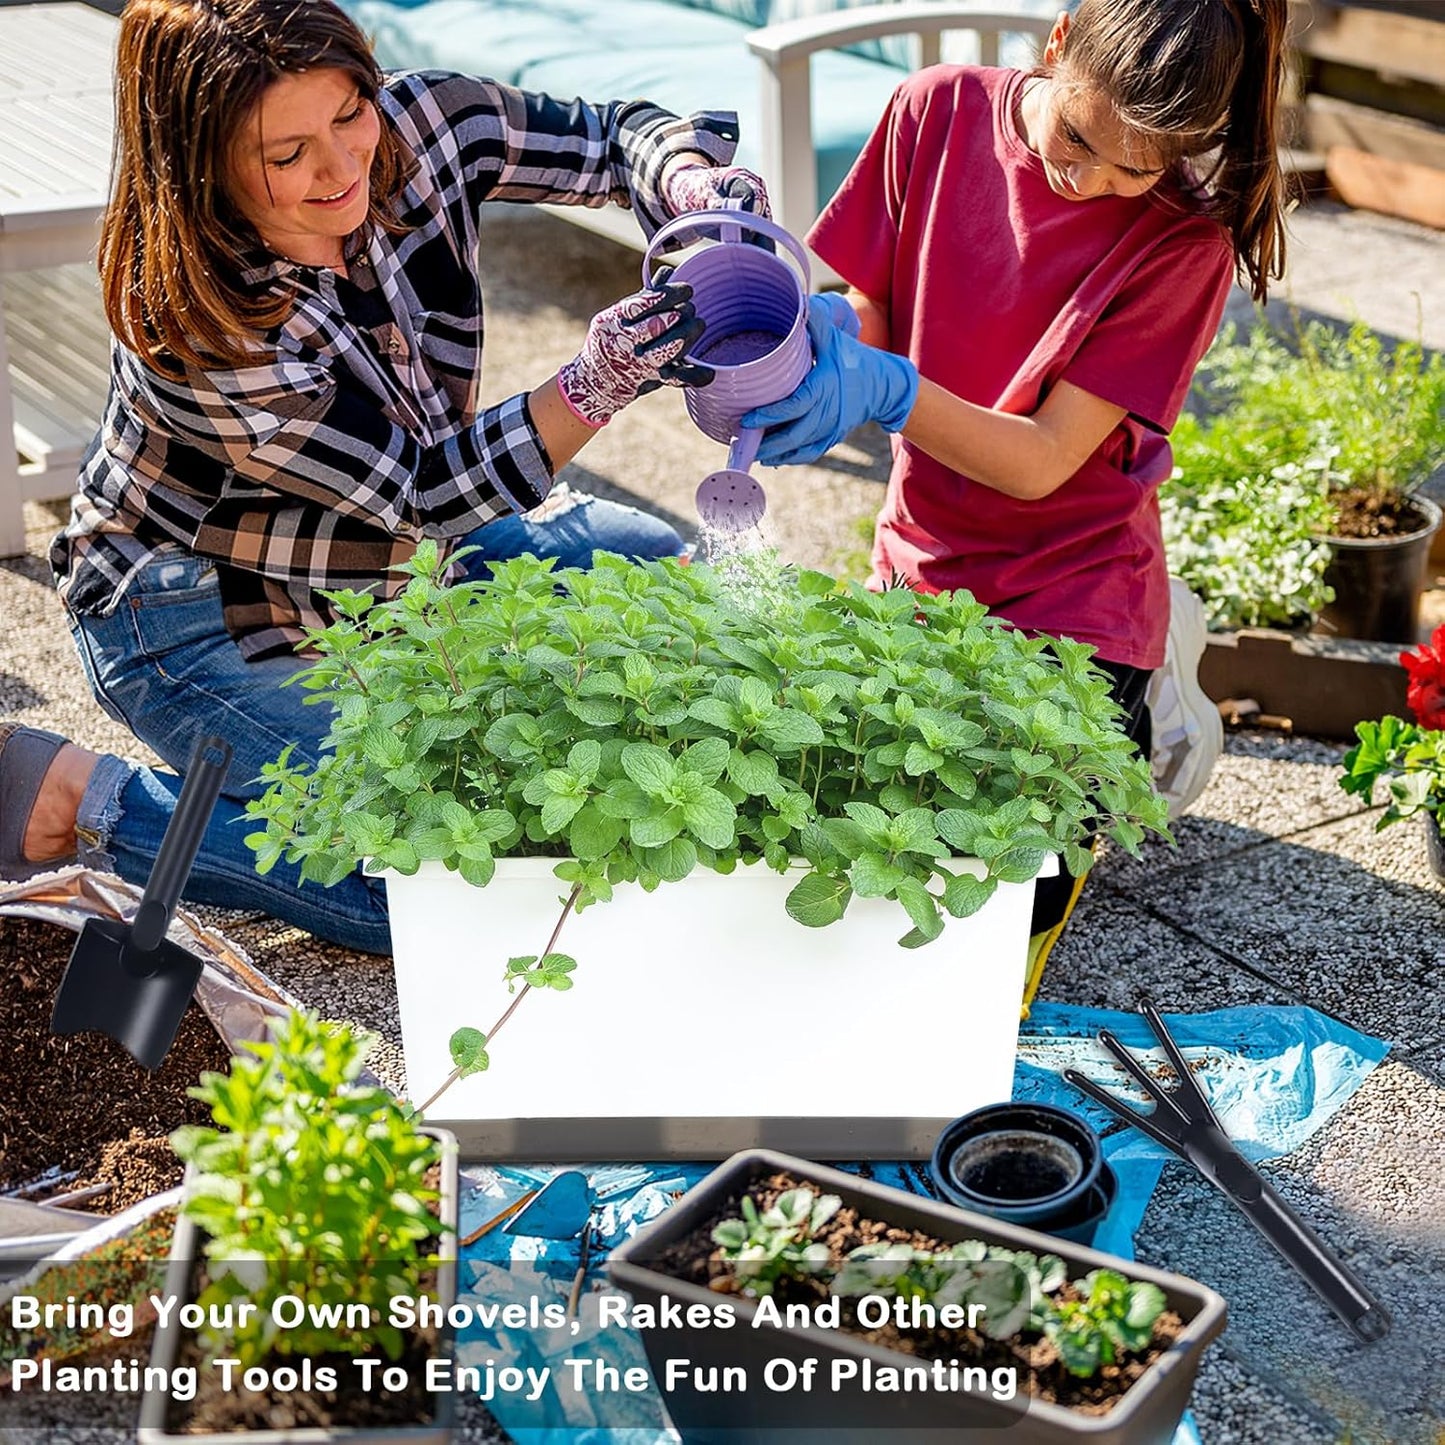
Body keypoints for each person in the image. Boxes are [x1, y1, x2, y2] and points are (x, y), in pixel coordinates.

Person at [2, 0, 769, 952]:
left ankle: (410, 658)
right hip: (192, 607)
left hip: (384, 551)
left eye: (348, 114)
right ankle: (79, 801)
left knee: (656, 568)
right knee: (429, 877)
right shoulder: (196, 322)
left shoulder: (416, 124)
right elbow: (423, 491)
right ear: (203, 162)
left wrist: (686, 183)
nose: (340, 166)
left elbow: (615, 138)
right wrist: (593, 384)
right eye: (286, 155)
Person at [739, 0, 1289, 949]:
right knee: (859, 867)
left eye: (1135, 170)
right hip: (923, 558)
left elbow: (1037, 464)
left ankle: (1145, 675)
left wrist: (891, 391)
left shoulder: (1182, 245)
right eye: (1076, 138)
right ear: (1058, 43)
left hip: (1072, 595)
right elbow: (871, 303)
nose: (1087, 184)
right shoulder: (934, 110)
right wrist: (821, 352)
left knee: (995, 925)